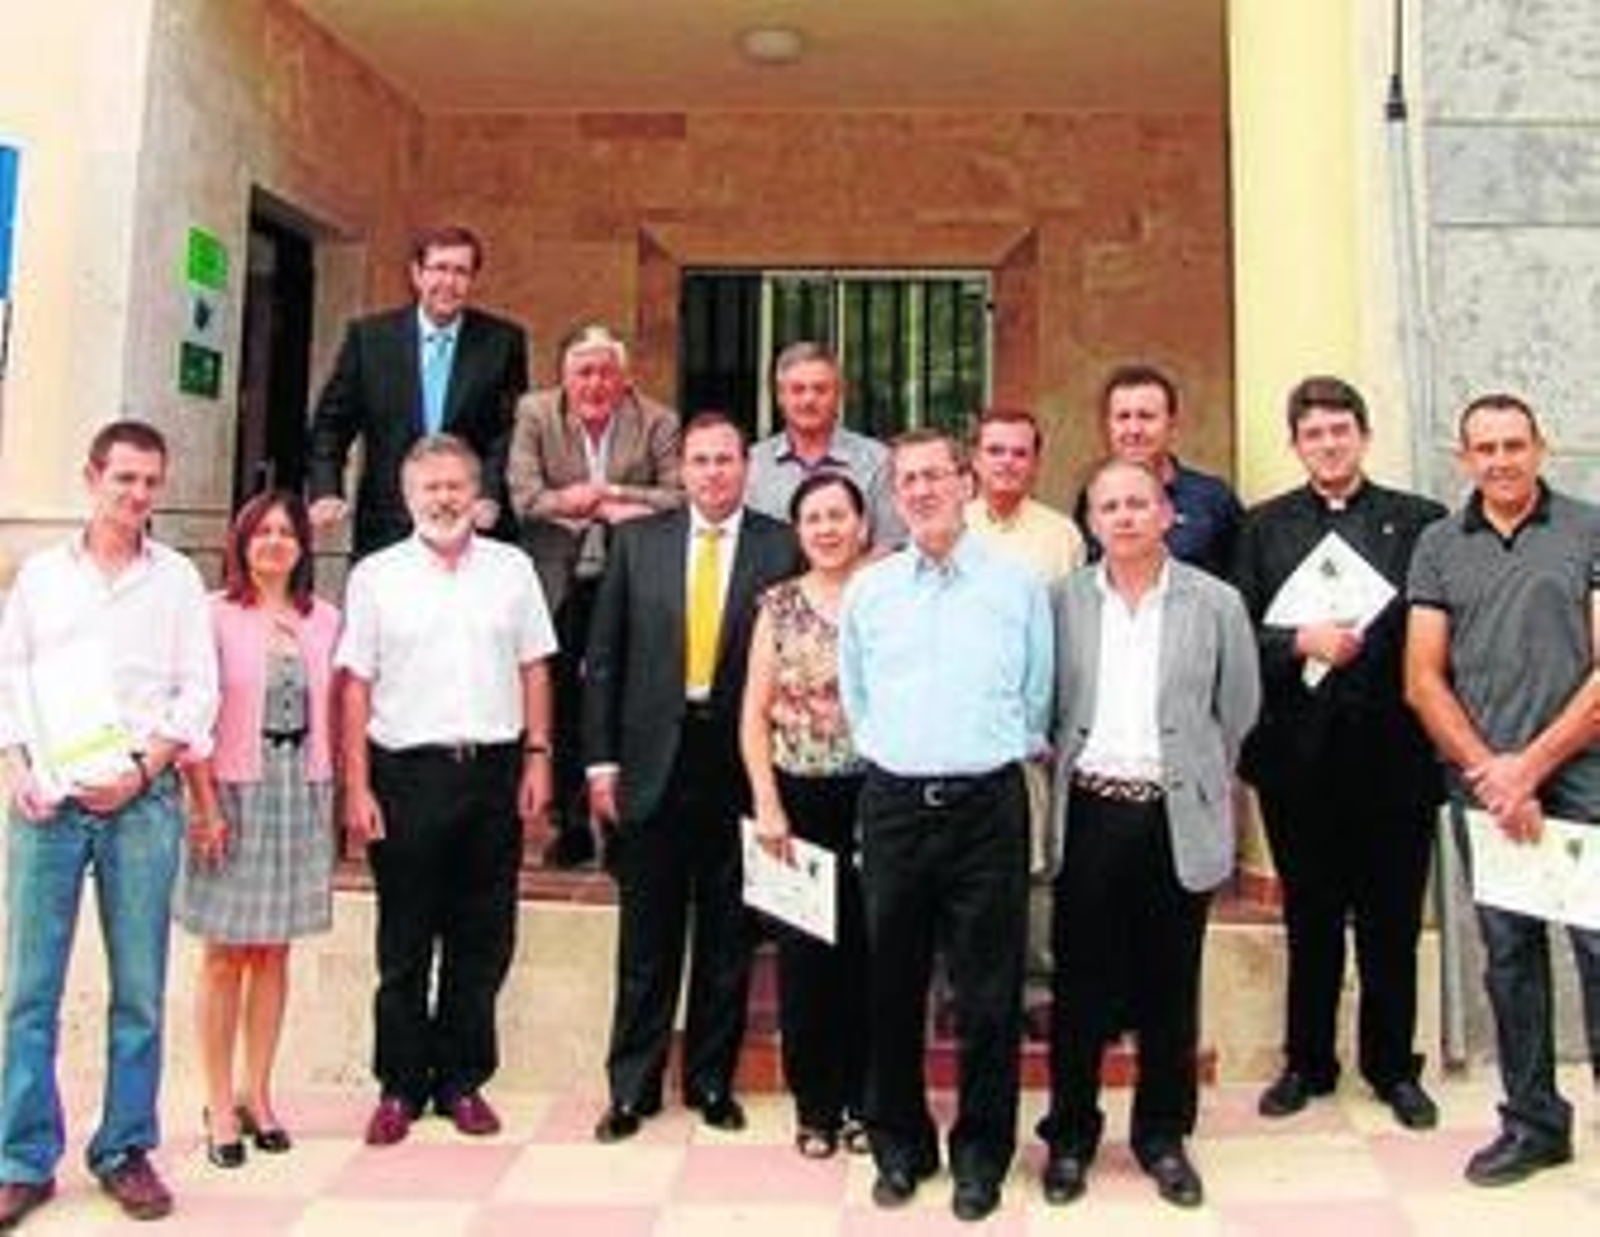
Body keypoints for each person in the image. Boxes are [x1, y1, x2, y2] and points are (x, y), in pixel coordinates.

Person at [0, 421, 218, 1226]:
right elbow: (9, 678)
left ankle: (125, 1148)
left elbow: (197, 692)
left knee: (139, 990)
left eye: (150, 481)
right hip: (47, 803)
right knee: (29, 990)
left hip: (140, 800)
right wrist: (19, 769)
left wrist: (142, 770)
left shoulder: (176, 582)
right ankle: (22, 1158)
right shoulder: (42, 579)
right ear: (91, 478)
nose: (137, 495)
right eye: (123, 478)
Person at [838, 429, 1053, 1223]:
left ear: (967, 483)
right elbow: (856, 697)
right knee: (889, 983)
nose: (923, 489)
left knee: (989, 992)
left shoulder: (1018, 584)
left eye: (937, 474)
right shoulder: (871, 589)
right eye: (908, 479)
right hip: (893, 804)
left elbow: (1037, 696)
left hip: (986, 804)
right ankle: (899, 1144)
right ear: (894, 495)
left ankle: (981, 1154)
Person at [1038, 458, 1258, 1211]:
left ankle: (1163, 1134)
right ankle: (1069, 1134)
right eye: (1109, 506)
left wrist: (1193, 774)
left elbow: (1239, 708)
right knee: (1080, 987)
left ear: (1167, 513)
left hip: (1173, 813)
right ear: (1091, 521)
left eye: (1140, 502)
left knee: (1170, 985)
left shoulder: (1216, 602)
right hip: (1091, 810)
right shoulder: (1061, 601)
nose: (1126, 516)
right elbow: (1046, 703)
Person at [1233, 377, 1446, 1129]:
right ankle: (1308, 1062)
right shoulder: (1261, 529)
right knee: (1312, 915)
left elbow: (1438, 630)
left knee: (1390, 918)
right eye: (1313, 432)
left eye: (1340, 429)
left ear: (1363, 434)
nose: (1328, 443)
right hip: (1298, 757)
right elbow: (1239, 635)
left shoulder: (1422, 523)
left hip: (1396, 756)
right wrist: (1300, 641)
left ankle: (1393, 1067)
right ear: (1296, 444)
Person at [336, 434, 556, 1147]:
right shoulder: (375, 575)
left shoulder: (512, 569)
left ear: (477, 491)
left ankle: (463, 1080)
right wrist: (357, 785)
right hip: (405, 776)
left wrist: (538, 758)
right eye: (430, 487)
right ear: (406, 496)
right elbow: (355, 686)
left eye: (457, 484)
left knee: (481, 937)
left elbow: (534, 669)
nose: (445, 498)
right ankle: (400, 1085)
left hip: (491, 772)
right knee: (404, 940)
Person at [586, 412, 798, 1145]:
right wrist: (600, 761)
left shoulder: (781, 545)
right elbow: (605, 656)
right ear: (682, 470)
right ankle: (631, 1087)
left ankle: (712, 1081)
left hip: (740, 764)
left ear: (747, 466)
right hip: (651, 764)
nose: (712, 472)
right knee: (646, 940)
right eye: (701, 460)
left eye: (726, 459)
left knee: (727, 937)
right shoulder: (639, 543)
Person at [1405, 393, 1600, 1187]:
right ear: (1464, 458)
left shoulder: (1588, 527)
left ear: (1540, 447)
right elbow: (1422, 676)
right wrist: (1493, 771)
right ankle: (1533, 1123)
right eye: (1483, 447)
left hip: (1584, 774)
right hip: (1482, 784)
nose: (1500, 460)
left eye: (1514, 444)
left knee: (1598, 950)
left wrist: (1531, 765)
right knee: (1509, 955)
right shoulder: (1439, 544)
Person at [175, 491, 341, 1168]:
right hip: (232, 790)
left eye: (286, 531)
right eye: (261, 531)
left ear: (303, 544)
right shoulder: (212, 615)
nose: (274, 541)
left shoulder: (324, 618)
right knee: (224, 954)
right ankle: (217, 1101)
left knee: (274, 949)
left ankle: (258, 1092)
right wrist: (205, 803)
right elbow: (190, 713)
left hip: (299, 789)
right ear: (241, 541)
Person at [507, 322, 683, 868]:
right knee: (562, 696)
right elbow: (524, 497)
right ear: (563, 376)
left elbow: (679, 495)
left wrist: (609, 495)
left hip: (632, 581)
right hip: (558, 580)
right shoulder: (535, 414)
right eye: (584, 372)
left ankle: (624, 821)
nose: (595, 383)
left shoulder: (657, 420)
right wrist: (574, 500)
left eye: (607, 371)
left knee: (628, 695)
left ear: (625, 377)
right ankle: (572, 821)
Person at [740, 472, 872, 1160]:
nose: (826, 528)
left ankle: (863, 1101)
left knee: (870, 954)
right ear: (799, 530)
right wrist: (767, 801)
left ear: (861, 523)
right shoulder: (778, 605)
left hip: (876, 800)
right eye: (813, 517)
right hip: (795, 801)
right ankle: (815, 1107)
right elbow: (753, 715)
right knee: (805, 961)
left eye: (838, 515)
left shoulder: (886, 597)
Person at [963, 406, 1085, 1038]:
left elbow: (1073, 631)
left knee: (1035, 862)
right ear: (975, 460)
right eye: (995, 451)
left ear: (1035, 461)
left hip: (1033, 728)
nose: (1007, 463)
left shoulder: (1061, 536)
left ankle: (1035, 990)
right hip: (960, 731)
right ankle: (961, 989)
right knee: (963, 868)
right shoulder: (950, 528)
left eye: (1019, 452)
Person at [308, 223, 529, 558]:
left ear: (472, 280)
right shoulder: (370, 339)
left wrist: (488, 493)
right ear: (416, 273)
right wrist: (326, 490)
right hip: (388, 520)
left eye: (461, 272)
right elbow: (331, 424)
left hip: (472, 521)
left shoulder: (502, 342)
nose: (449, 282)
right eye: (439, 268)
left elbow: (507, 430)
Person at [1074, 363, 1241, 577]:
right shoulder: (1091, 497)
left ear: (1172, 424)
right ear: (1107, 425)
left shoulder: (1213, 498)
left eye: (1146, 416)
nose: (1134, 430)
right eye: (1123, 417)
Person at [746, 341, 904, 545]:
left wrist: (833, 577)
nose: (808, 399)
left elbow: (890, 545)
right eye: (797, 389)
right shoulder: (752, 464)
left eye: (820, 389)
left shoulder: (878, 461)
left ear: (839, 394)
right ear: (780, 396)